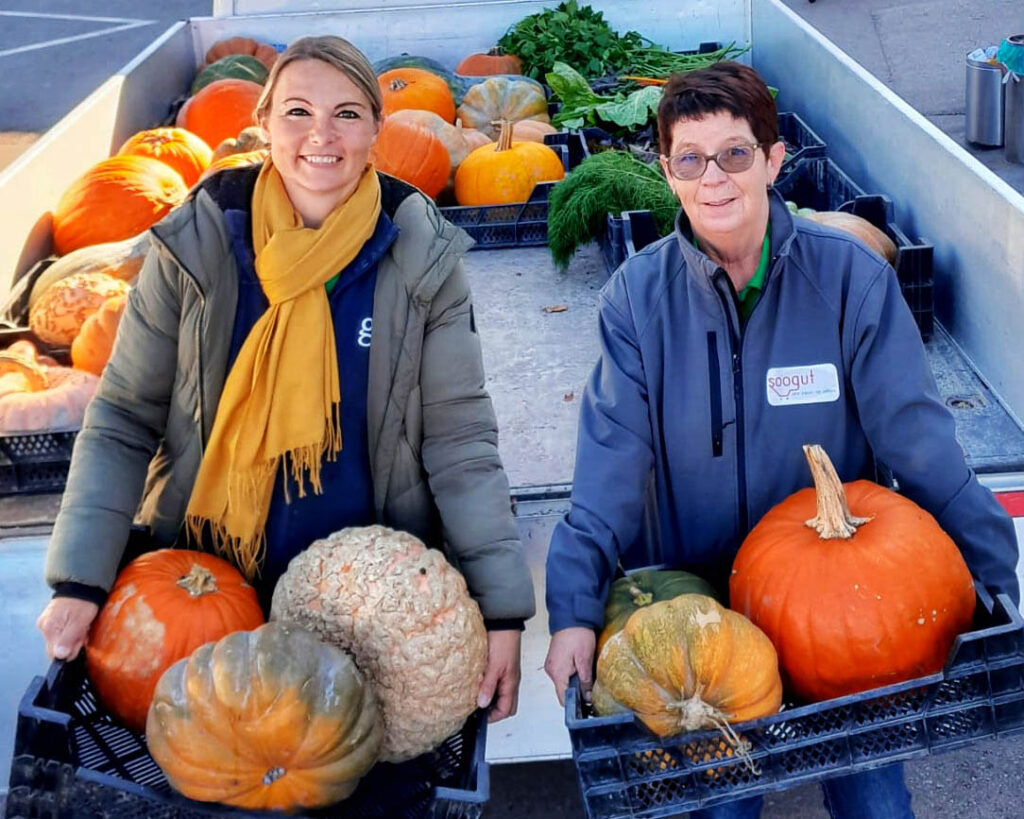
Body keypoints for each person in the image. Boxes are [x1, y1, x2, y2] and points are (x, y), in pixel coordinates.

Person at [543, 61, 1019, 818]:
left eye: (734, 154)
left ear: (772, 160)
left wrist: (992, 571)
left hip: (844, 604)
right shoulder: (636, 298)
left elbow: (920, 443)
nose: (714, 179)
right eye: (691, 160)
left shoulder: (851, 281)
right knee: (723, 809)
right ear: (667, 172)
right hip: (705, 620)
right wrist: (572, 607)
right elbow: (608, 467)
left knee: (876, 804)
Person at [36, 35, 534, 724]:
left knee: (329, 759)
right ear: (264, 123)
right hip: (205, 589)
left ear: (376, 129)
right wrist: (80, 578)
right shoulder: (197, 244)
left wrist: (502, 607)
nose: (321, 135)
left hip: (364, 614)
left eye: (346, 114)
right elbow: (123, 418)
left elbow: (460, 440)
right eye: (298, 112)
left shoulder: (421, 258)